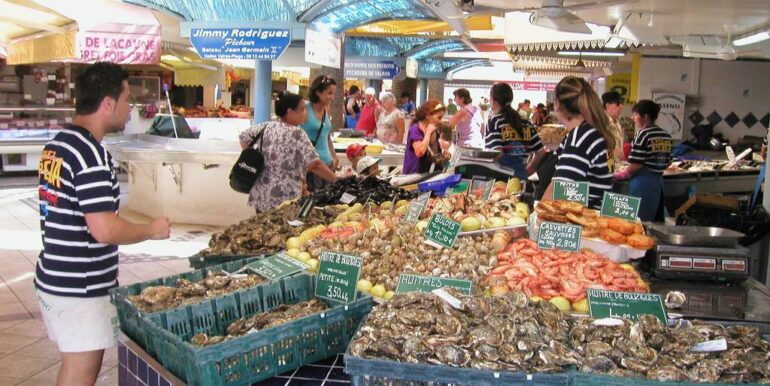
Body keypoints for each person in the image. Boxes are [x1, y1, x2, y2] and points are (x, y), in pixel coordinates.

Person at [35, 62, 171, 386]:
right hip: (80, 288)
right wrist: (151, 230)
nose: (129, 110)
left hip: (55, 278)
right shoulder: (89, 154)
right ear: (107, 103)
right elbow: (105, 229)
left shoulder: (58, 144)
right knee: (82, 373)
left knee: (72, 368)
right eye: (126, 101)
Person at [240, 92, 336, 212]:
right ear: (290, 112)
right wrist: (336, 180)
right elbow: (315, 164)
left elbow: (243, 137)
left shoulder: (266, 127)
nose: (305, 113)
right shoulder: (297, 134)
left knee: (263, 227)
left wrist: (253, 158)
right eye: (302, 109)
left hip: (261, 195)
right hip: (285, 198)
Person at [542, 76, 616, 209]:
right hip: (593, 217)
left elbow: (559, 192)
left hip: (580, 222)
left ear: (558, 104)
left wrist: (537, 216)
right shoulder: (590, 131)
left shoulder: (579, 138)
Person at [614, 100, 672, 222]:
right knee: (652, 222)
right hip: (658, 184)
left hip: (642, 184)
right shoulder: (666, 135)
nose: (632, 117)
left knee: (636, 222)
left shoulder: (643, 134)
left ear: (645, 117)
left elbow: (636, 164)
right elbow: (667, 161)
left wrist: (623, 174)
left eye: (635, 114)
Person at [485, 82, 546, 179]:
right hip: (521, 178)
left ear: (493, 101)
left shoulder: (494, 121)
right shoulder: (526, 123)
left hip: (500, 180)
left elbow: (496, 153)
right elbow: (541, 152)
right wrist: (529, 170)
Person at [301, 75, 340, 192]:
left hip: (328, 166)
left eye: (333, 93)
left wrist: (334, 155)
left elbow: (326, 135)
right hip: (314, 169)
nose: (332, 97)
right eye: (329, 93)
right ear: (318, 92)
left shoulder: (326, 110)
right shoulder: (304, 110)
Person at [404, 100, 446, 174]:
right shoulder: (415, 129)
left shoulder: (434, 130)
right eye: (439, 117)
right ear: (427, 116)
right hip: (414, 176)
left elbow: (434, 154)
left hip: (428, 174)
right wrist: (428, 133)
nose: (441, 121)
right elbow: (420, 152)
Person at [602, 91, 627, 166]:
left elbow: (619, 150)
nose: (621, 106)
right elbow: (605, 149)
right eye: (618, 104)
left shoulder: (617, 122)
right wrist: (612, 168)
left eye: (622, 103)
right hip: (608, 168)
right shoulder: (603, 123)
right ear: (607, 105)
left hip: (617, 165)